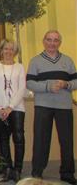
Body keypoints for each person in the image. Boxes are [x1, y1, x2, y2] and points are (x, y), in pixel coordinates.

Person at [26, 30, 77, 185]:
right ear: (44, 41)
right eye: (49, 39)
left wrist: (66, 84)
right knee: (41, 139)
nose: (52, 43)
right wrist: (48, 86)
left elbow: (76, 82)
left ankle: (67, 173)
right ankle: (37, 172)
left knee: (66, 140)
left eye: (55, 40)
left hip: (64, 106)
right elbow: (29, 83)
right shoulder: (35, 61)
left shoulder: (68, 61)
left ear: (59, 43)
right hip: (43, 105)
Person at [0, 39, 26, 182]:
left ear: (15, 51)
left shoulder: (20, 67)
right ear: (1, 50)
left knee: (18, 139)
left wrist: (10, 107)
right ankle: (7, 169)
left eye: (11, 49)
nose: (8, 51)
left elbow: (22, 88)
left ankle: (18, 170)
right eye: (6, 48)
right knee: (3, 140)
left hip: (17, 108)